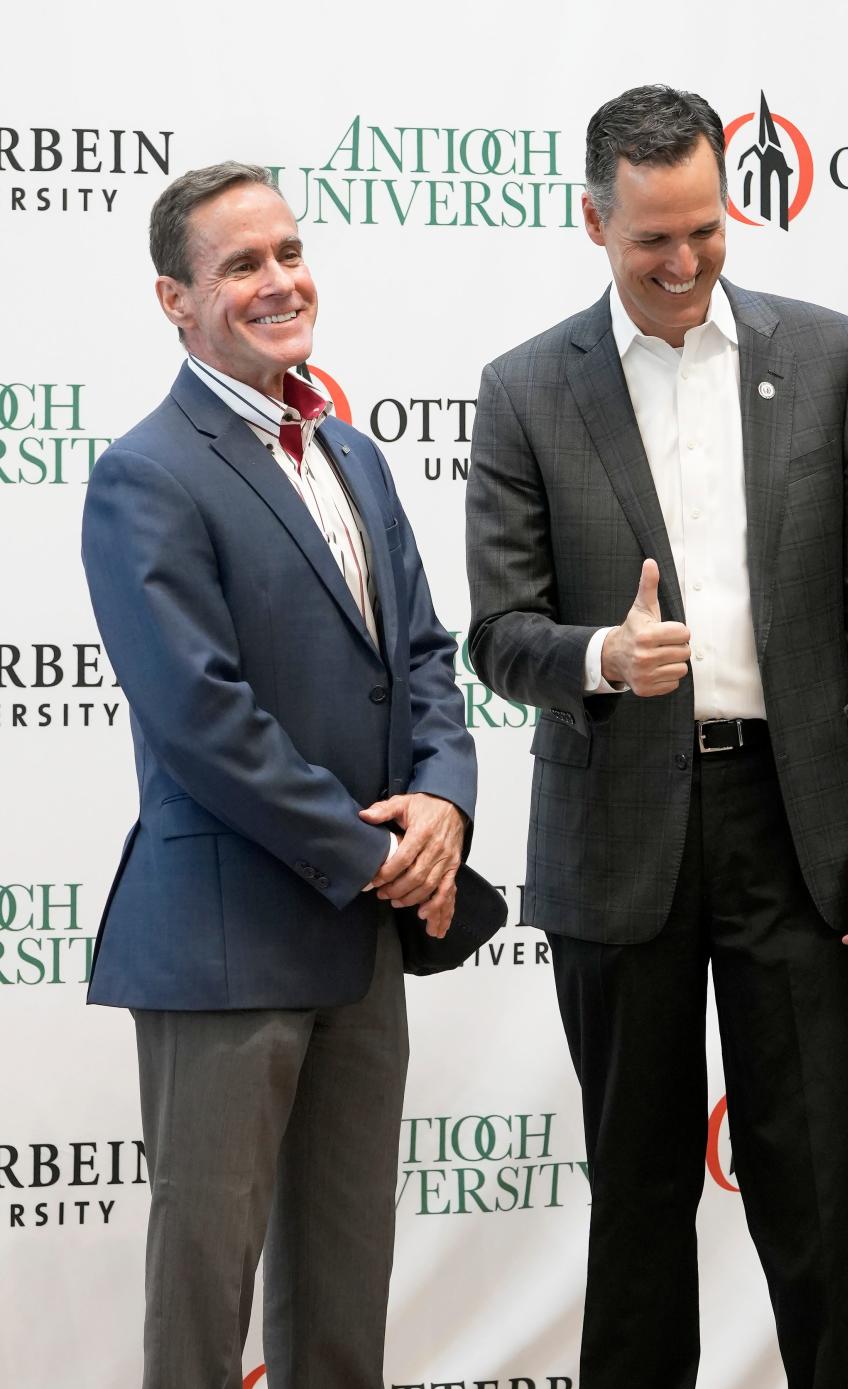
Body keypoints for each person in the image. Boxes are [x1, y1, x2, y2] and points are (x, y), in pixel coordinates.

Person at [465, 86, 848, 1389]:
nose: (682, 266)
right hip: (621, 837)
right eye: (650, 240)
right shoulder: (523, 393)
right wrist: (602, 656)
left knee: (820, 1184)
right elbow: (498, 631)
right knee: (638, 1196)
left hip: (805, 834)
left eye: (705, 232)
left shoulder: (828, 357)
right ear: (593, 220)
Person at [82, 161, 476, 1389]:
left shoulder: (356, 457)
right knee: (204, 1306)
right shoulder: (147, 472)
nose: (280, 282)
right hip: (223, 947)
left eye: (290, 253)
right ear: (175, 301)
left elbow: (420, 656)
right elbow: (202, 717)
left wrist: (446, 802)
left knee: (345, 1299)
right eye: (241, 265)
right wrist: (382, 854)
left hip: (362, 948)